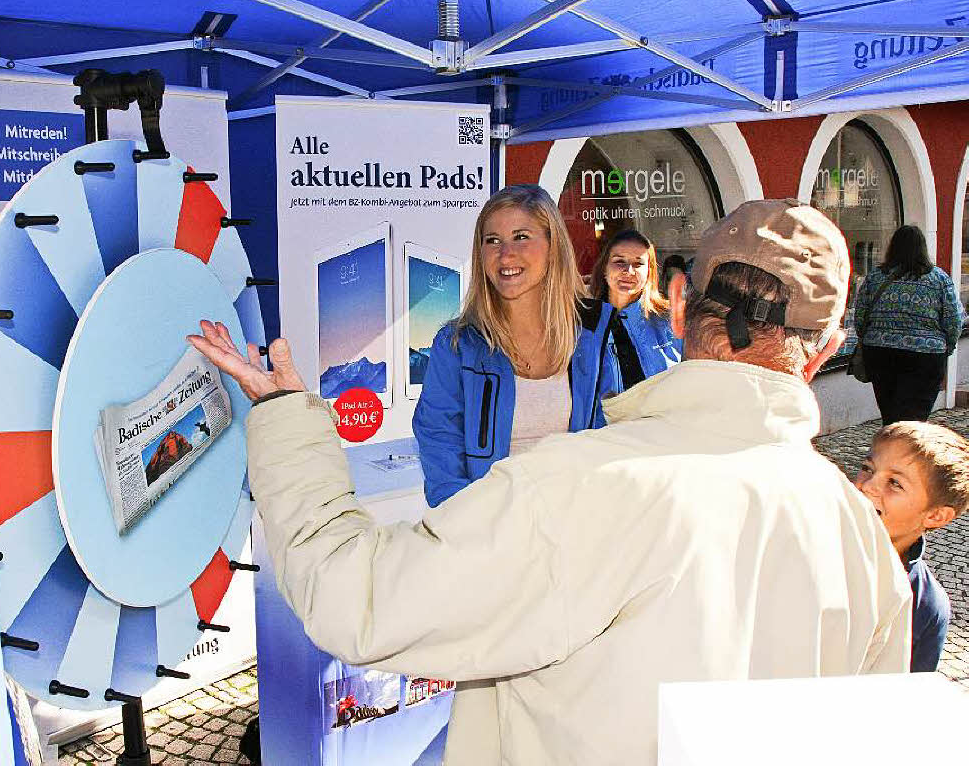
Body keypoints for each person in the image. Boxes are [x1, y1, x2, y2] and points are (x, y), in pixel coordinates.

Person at [188, 199, 911, 765]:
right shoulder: (864, 539)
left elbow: (355, 599)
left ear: (682, 306)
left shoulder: (582, 485)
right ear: (826, 354)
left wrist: (284, 418)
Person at [412, 184, 617, 508]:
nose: (505, 254)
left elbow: (609, 436)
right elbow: (440, 447)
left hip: (574, 530)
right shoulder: (458, 346)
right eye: (492, 240)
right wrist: (472, 530)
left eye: (521, 237)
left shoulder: (593, 334)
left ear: (553, 246)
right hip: (491, 536)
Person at [854, 421, 969, 672]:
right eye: (867, 468)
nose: (868, 485)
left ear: (936, 516)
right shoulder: (810, 545)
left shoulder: (926, 606)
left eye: (894, 482)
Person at [854, 224, 966, 425]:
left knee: (890, 412)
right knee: (916, 416)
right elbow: (954, 319)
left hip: (880, 352)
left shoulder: (876, 277)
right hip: (926, 355)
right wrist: (946, 347)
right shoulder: (939, 279)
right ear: (923, 248)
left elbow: (860, 315)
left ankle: (891, 447)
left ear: (893, 247)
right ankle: (906, 451)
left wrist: (869, 338)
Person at [589, 229, 681, 393]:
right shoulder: (584, 323)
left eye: (638, 264)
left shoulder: (671, 320)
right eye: (619, 261)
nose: (628, 271)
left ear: (649, 272)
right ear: (604, 267)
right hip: (606, 419)